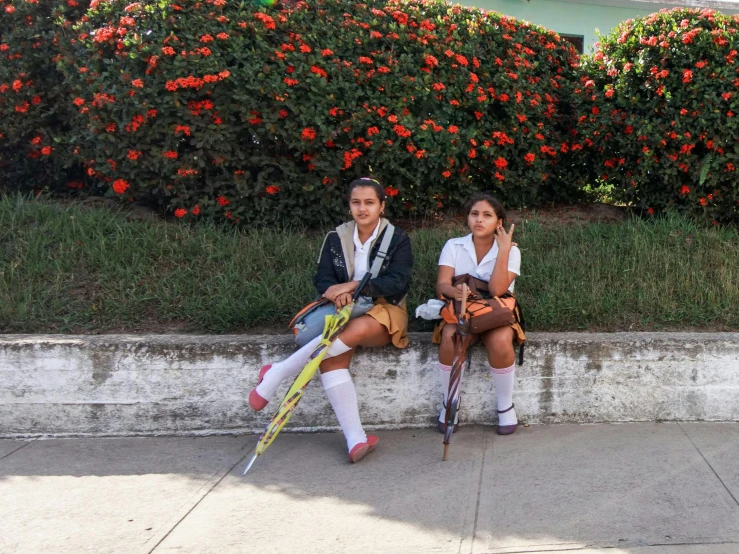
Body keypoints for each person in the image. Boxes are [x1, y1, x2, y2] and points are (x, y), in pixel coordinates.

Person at [249, 177, 414, 462]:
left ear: (381, 206)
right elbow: (323, 278)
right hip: (342, 311)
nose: (362, 209)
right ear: (349, 206)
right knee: (332, 359)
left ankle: (277, 372)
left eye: (369, 203)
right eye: (356, 203)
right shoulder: (336, 237)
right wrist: (334, 293)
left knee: (356, 327)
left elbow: (397, 283)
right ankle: (355, 439)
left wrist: (351, 287)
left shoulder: (397, 239)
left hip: (386, 310)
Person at [434, 193, 525, 435]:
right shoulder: (454, 245)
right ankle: (450, 401)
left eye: (487, 215)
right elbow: (441, 284)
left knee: (500, 340)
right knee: (451, 338)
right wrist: (456, 291)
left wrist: (503, 250)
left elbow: (497, 290)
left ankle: (505, 406)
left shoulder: (511, 251)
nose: (479, 220)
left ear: (499, 222)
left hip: (496, 310)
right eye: (474, 214)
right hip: (464, 307)